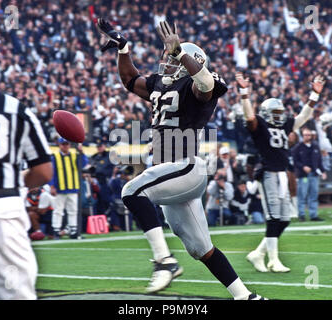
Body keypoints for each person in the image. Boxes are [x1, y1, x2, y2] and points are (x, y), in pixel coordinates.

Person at [97, 18, 266, 299]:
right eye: (169, 58)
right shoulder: (160, 85)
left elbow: (206, 83)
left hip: (186, 167)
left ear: (188, 60)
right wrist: (124, 49)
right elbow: (129, 80)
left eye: (172, 59)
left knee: (132, 190)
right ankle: (246, 296)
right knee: (202, 250)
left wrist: (181, 54)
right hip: (169, 175)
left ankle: (164, 261)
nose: (167, 63)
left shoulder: (195, 84)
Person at [236, 72, 326, 273]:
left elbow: (303, 116)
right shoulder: (259, 125)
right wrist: (244, 93)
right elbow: (249, 116)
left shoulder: (286, 124)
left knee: (284, 219)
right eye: (275, 113)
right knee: (274, 217)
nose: (279, 116)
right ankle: (273, 260)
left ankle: (258, 254)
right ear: (267, 113)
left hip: (282, 174)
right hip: (268, 172)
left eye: (280, 112)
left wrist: (314, 96)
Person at [0, 91, 53, 300]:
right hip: (2, 211)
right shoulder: (14, 108)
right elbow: (43, 171)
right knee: (15, 292)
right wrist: (16, 182)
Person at [49, 138, 88, 239]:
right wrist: (52, 186)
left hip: (73, 187)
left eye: (67, 144)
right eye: (63, 144)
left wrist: (82, 152)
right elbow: (51, 172)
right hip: (59, 188)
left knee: (73, 210)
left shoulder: (75, 155)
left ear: (69, 145)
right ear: (59, 145)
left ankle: (73, 230)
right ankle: (56, 231)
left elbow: (84, 164)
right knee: (58, 210)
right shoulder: (54, 156)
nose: (65, 146)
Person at [292, 128, 327, 221]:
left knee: (314, 195)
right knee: (302, 195)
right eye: (305, 135)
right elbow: (295, 161)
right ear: (302, 136)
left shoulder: (315, 146)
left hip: (314, 174)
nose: (307, 137)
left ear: (311, 136)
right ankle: (301, 215)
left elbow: (319, 160)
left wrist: (322, 171)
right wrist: (303, 167)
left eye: (309, 135)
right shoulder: (298, 147)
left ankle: (313, 215)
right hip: (303, 175)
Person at [90, 142, 115, 215]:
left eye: (101, 146)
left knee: (106, 201)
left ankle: (108, 218)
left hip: (106, 182)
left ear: (104, 146)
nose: (99, 148)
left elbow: (115, 167)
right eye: (98, 146)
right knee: (97, 203)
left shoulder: (110, 155)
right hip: (95, 182)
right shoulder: (94, 157)